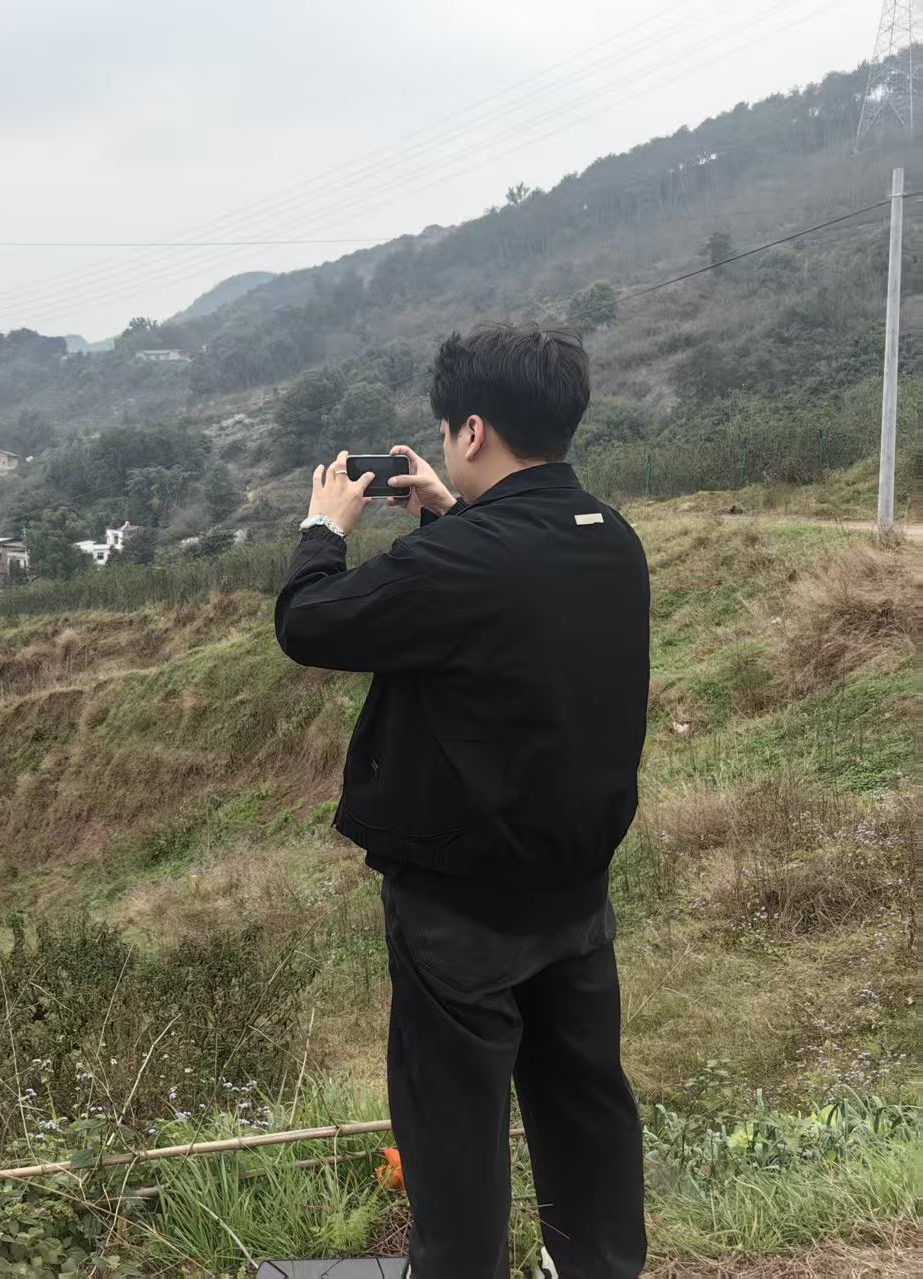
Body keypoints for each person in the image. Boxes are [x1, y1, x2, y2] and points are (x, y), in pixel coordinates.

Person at [274, 324, 650, 1278]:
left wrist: (326, 527)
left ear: (472, 430)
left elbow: (310, 623)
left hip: (461, 911)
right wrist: (450, 515)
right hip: (576, 895)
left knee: (454, 1131)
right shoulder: (613, 539)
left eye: (449, 432)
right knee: (584, 1105)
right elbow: (509, 612)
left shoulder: (462, 562)